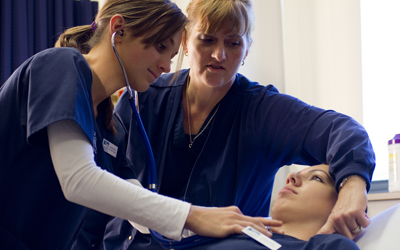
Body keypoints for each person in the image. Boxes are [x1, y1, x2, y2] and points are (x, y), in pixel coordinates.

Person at [77, 0, 374, 249]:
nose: (219, 55)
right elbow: (99, 191)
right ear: (185, 41)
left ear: (246, 50)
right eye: (207, 40)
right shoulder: (143, 100)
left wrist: (353, 185)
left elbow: (343, 131)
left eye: (233, 43)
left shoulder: (262, 112)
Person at [0, 1, 278, 249]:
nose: (166, 67)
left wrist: (234, 232)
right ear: (118, 29)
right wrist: (196, 215)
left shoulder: (109, 128)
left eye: (171, 56)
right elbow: (78, 180)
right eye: (160, 48)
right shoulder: (61, 65)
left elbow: (142, 212)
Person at [188, 165, 361, 250]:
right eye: (296, 173)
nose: (291, 177)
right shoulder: (236, 229)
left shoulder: (332, 246)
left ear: (342, 206)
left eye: (316, 178)